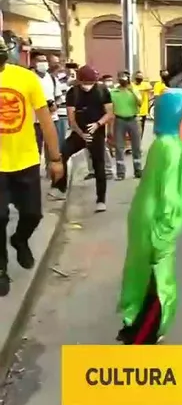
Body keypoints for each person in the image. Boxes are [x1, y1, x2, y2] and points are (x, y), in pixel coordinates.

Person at [116, 88, 182, 344]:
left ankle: (133, 326)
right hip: (157, 225)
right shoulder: (172, 149)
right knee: (159, 285)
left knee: (142, 278)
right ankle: (140, 340)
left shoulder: (167, 145)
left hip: (146, 218)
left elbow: (174, 182)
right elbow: (172, 197)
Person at [0, 38, 64, 296]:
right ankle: (1, 268)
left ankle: (20, 239)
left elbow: (46, 121)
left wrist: (56, 158)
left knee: (32, 214)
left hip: (25, 160)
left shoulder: (26, 79)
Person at [48, 65, 113, 212]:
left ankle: (101, 200)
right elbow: (71, 119)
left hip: (96, 132)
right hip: (78, 132)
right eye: (85, 83)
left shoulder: (102, 91)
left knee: (99, 165)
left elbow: (109, 113)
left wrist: (97, 124)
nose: (88, 86)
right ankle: (61, 188)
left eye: (91, 83)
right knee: (62, 153)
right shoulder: (73, 93)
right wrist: (81, 133)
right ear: (79, 81)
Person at [110, 71, 143, 179]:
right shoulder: (113, 92)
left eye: (125, 78)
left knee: (136, 146)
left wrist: (132, 91)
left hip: (133, 119)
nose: (123, 80)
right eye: (121, 78)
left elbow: (140, 103)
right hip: (119, 120)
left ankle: (138, 170)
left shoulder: (134, 90)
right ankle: (120, 173)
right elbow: (110, 109)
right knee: (119, 147)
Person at [33, 54, 63, 161]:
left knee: (52, 149)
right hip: (35, 120)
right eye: (40, 60)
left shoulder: (52, 79)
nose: (43, 63)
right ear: (34, 63)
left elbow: (59, 97)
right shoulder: (30, 78)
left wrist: (55, 105)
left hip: (52, 119)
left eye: (44, 60)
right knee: (35, 149)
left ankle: (50, 169)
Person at [133, 71, 151, 136]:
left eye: (141, 76)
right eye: (138, 76)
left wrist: (140, 90)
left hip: (143, 110)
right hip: (134, 110)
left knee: (141, 127)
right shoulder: (132, 85)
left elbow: (150, 87)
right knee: (134, 127)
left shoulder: (145, 84)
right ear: (135, 77)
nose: (139, 78)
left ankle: (140, 139)